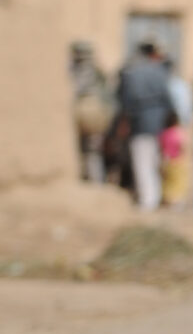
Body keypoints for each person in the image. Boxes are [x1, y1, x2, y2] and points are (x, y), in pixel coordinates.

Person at [115, 40, 175, 212]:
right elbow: (167, 98)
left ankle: (147, 200)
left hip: (140, 123)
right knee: (155, 161)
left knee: (142, 162)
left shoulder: (131, 71)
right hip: (158, 123)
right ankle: (154, 197)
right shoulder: (159, 71)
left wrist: (124, 121)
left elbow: (126, 101)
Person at [68, 41, 114, 184]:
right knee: (91, 152)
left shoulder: (85, 71)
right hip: (95, 115)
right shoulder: (96, 71)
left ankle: (94, 182)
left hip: (90, 115)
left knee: (91, 152)